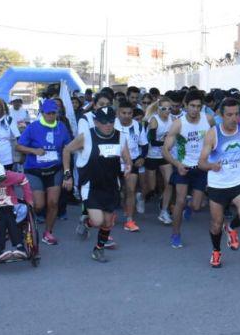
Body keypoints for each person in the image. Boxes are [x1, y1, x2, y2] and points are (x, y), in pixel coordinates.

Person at [61, 106, 132, 262]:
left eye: (111, 121)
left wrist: (128, 165)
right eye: (103, 122)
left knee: (107, 222)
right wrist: (67, 174)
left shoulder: (120, 137)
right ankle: (88, 220)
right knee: (98, 221)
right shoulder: (86, 136)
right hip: (90, 185)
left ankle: (98, 249)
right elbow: (66, 150)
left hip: (111, 185)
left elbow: (126, 156)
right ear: (95, 122)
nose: (107, 125)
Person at [197, 97, 240, 268]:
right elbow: (201, 162)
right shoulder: (213, 134)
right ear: (221, 116)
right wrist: (210, 165)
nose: (234, 118)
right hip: (218, 184)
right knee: (216, 224)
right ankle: (216, 251)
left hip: (239, 181)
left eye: (236, 114)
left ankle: (231, 227)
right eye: (229, 115)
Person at [16, 98, 73, 245]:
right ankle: (26, 224)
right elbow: (19, 146)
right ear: (42, 113)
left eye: (53, 113)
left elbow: (67, 148)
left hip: (55, 170)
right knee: (39, 205)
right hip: (34, 170)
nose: (51, 116)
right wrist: (33, 150)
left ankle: (48, 232)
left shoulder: (61, 127)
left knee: (53, 203)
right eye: (48, 113)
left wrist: (67, 171)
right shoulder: (33, 127)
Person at [163, 89, 210, 247]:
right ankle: (175, 234)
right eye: (192, 105)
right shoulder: (178, 124)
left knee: (196, 206)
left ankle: (190, 208)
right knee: (181, 201)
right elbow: (165, 150)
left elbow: (217, 138)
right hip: (183, 167)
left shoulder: (208, 120)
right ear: (185, 105)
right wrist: (177, 164)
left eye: (198, 106)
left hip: (201, 168)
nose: (195, 109)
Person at [114, 99, 147, 233]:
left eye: (129, 113)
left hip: (131, 162)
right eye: (124, 113)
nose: (127, 116)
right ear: (118, 113)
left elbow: (144, 145)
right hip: (114, 162)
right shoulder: (112, 124)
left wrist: (142, 157)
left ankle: (129, 220)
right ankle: (112, 214)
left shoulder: (138, 126)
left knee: (131, 190)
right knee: (116, 192)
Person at [145, 97, 175, 225]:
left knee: (169, 183)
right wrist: (167, 141)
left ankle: (164, 211)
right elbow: (152, 141)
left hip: (164, 156)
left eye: (170, 108)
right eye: (164, 108)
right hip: (152, 155)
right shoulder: (154, 120)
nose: (167, 111)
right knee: (151, 188)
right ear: (158, 109)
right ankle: (143, 195)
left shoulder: (172, 120)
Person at [0, 99, 22, 171]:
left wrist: (21, 155)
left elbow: (18, 137)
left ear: (2, 109)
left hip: (7, 158)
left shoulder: (9, 120)